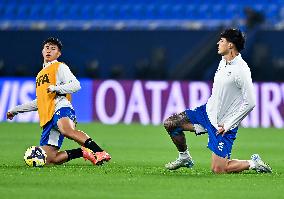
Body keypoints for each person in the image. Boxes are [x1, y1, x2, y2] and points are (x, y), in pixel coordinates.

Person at [163, 28, 272, 174]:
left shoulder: (241, 70)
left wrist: (228, 125)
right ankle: (184, 157)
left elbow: (250, 102)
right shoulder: (223, 61)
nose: (217, 43)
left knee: (218, 169)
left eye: (222, 41)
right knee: (171, 124)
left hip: (223, 124)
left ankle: (253, 163)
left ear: (231, 45)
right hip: (206, 113)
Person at [6, 37, 111, 166]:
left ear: (58, 53)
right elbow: (39, 102)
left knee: (67, 130)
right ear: (42, 51)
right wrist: (15, 110)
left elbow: (76, 85)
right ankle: (82, 152)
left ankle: (99, 152)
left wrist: (56, 88)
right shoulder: (39, 75)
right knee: (50, 159)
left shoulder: (59, 67)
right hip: (48, 117)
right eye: (47, 47)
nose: (49, 50)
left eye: (53, 48)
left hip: (61, 107)